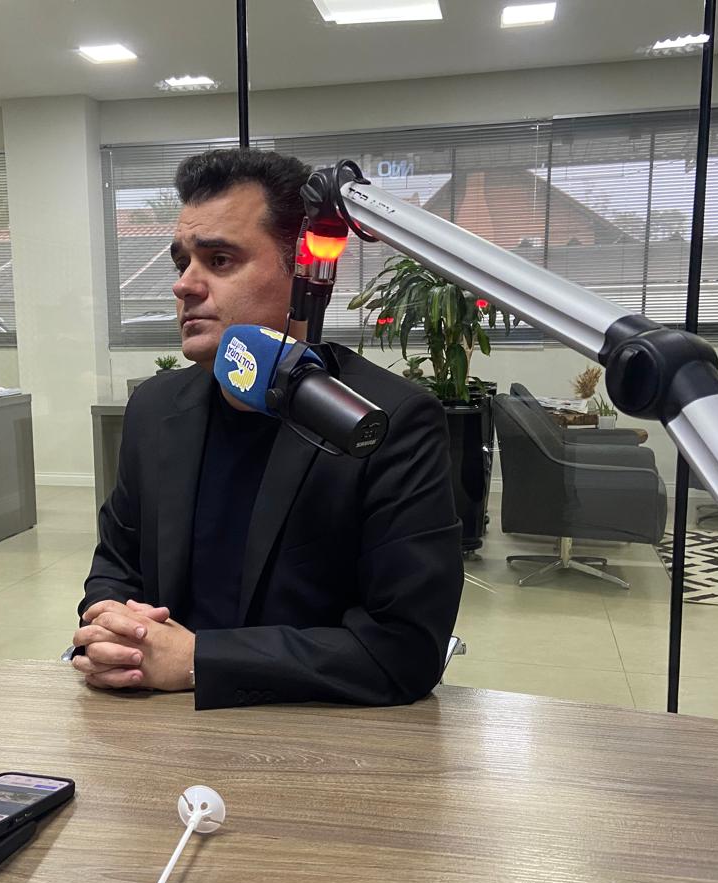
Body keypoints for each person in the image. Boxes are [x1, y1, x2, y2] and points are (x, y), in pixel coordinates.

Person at [73, 148, 462, 708]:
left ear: (304, 276)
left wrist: (199, 660)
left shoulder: (388, 422)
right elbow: (117, 562)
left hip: (304, 735)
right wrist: (113, 625)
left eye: (220, 260)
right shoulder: (154, 409)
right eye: (182, 264)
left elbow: (405, 648)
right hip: (154, 723)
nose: (185, 286)